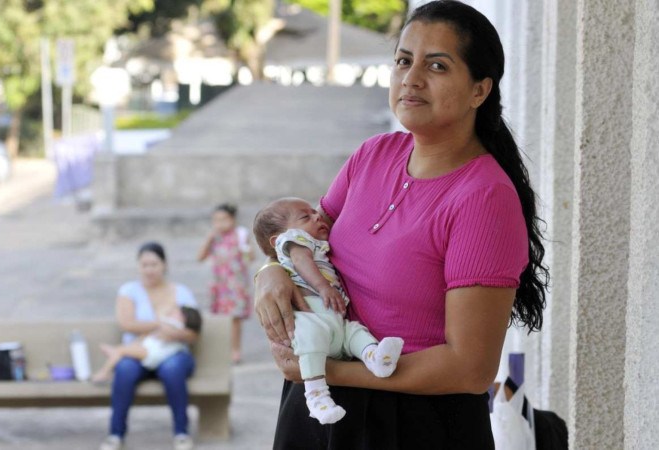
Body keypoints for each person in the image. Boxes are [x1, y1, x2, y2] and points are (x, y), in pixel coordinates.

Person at [253, 1, 549, 448]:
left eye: (437, 65)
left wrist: (325, 369)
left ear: (479, 90)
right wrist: (269, 273)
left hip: (411, 424)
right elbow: (308, 238)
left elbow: (470, 368)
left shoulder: (484, 198)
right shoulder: (373, 155)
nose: (411, 79)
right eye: (403, 61)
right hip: (317, 410)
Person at [253, 197, 404, 425]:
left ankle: (374, 358)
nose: (317, 216)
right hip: (310, 315)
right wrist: (323, 286)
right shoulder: (295, 242)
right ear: (278, 240)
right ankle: (316, 396)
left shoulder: (317, 247)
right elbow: (301, 260)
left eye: (315, 213)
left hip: (334, 320)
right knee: (311, 341)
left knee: (354, 332)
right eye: (306, 216)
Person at [100, 242, 199, 450]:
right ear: (138, 266)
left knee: (173, 370)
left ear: (164, 265)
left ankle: (181, 433)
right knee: (124, 369)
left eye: (154, 264)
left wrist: (167, 332)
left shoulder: (181, 292)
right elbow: (126, 323)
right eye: (144, 264)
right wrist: (160, 324)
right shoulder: (129, 290)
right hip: (139, 354)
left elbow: (193, 331)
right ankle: (115, 435)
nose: (149, 269)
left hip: (174, 353)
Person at [197, 203, 253, 364]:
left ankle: (235, 349)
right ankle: (222, 349)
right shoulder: (214, 238)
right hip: (220, 285)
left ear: (233, 220)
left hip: (236, 284)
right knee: (220, 318)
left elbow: (250, 257)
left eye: (224, 219)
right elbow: (200, 257)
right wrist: (208, 239)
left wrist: (246, 250)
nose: (220, 223)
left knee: (235, 319)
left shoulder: (241, 235)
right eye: (216, 220)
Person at [92, 305, 202, 384]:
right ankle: (114, 357)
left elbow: (162, 321)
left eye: (176, 312)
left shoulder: (175, 326)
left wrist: (163, 323)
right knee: (128, 350)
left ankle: (105, 371)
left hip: (152, 353)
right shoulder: (169, 324)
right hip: (151, 349)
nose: (171, 313)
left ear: (183, 317)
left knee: (121, 351)